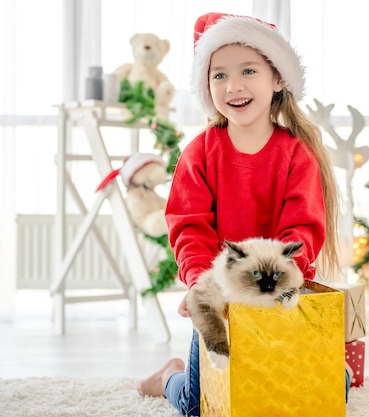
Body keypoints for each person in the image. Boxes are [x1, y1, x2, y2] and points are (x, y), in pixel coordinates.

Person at [137, 12, 349, 416]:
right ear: (207, 84)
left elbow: (303, 228)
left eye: (248, 70)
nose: (233, 85)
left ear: (278, 79)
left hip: (282, 295)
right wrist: (201, 281)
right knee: (201, 405)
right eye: (219, 75)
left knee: (326, 393)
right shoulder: (199, 153)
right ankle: (168, 377)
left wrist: (278, 284)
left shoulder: (296, 154)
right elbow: (188, 226)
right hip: (223, 299)